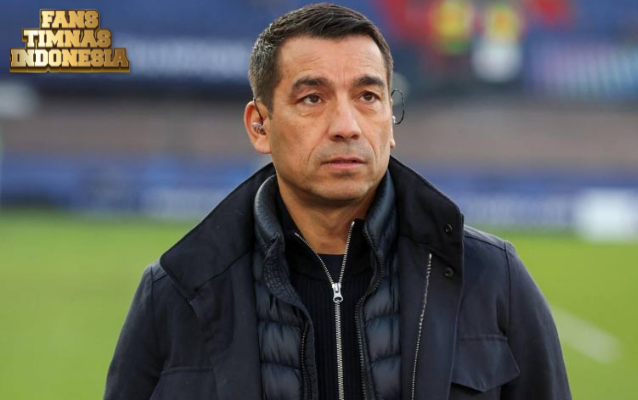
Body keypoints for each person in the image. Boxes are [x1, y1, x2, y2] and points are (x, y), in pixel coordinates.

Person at [104, 3, 570, 400]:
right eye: (312, 98)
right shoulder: (176, 291)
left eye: (368, 96)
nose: (346, 125)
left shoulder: (493, 276)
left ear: (390, 118)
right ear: (259, 126)